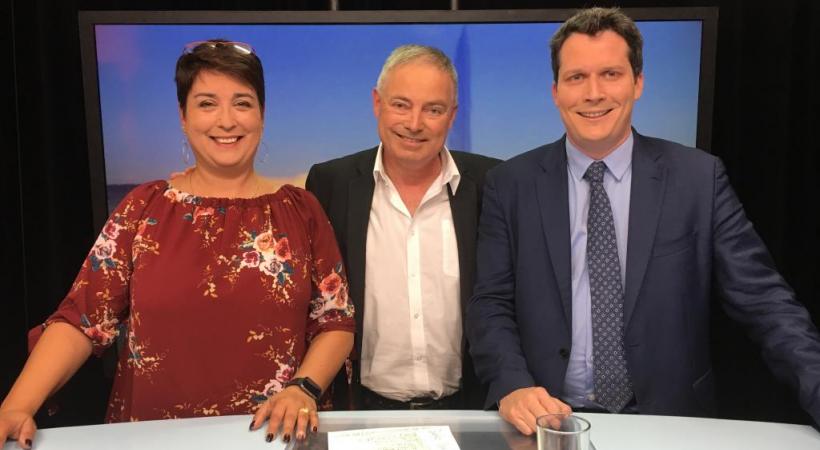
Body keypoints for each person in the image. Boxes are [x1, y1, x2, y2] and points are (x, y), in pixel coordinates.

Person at [465, 7, 820, 435]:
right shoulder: (510, 184)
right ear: (556, 91)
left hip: (670, 421)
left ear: (638, 83)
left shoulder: (697, 179)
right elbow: (491, 304)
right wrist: (512, 384)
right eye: (576, 78)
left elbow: (764, 302)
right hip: (549, 422)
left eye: (611, 74)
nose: (593, 93)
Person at [0, 39, 354, 449]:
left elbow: (335, 321)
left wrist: (304, 388)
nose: (226, 120)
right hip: (154, 438)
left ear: (262, 115)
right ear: (183, 117)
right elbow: (82, 321)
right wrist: (16, 404)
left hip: (273, 439)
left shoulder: (301, 210)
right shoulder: (144, 208)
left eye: (242, 103)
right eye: (207, 103)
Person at [305, 44, 499, 410]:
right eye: (401, 104)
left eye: (433, 109)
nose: (414, 123)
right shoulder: (330, 183)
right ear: (377, 104)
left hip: (469, 410)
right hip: (360, 411)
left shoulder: (492, 182)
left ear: (453, 115)